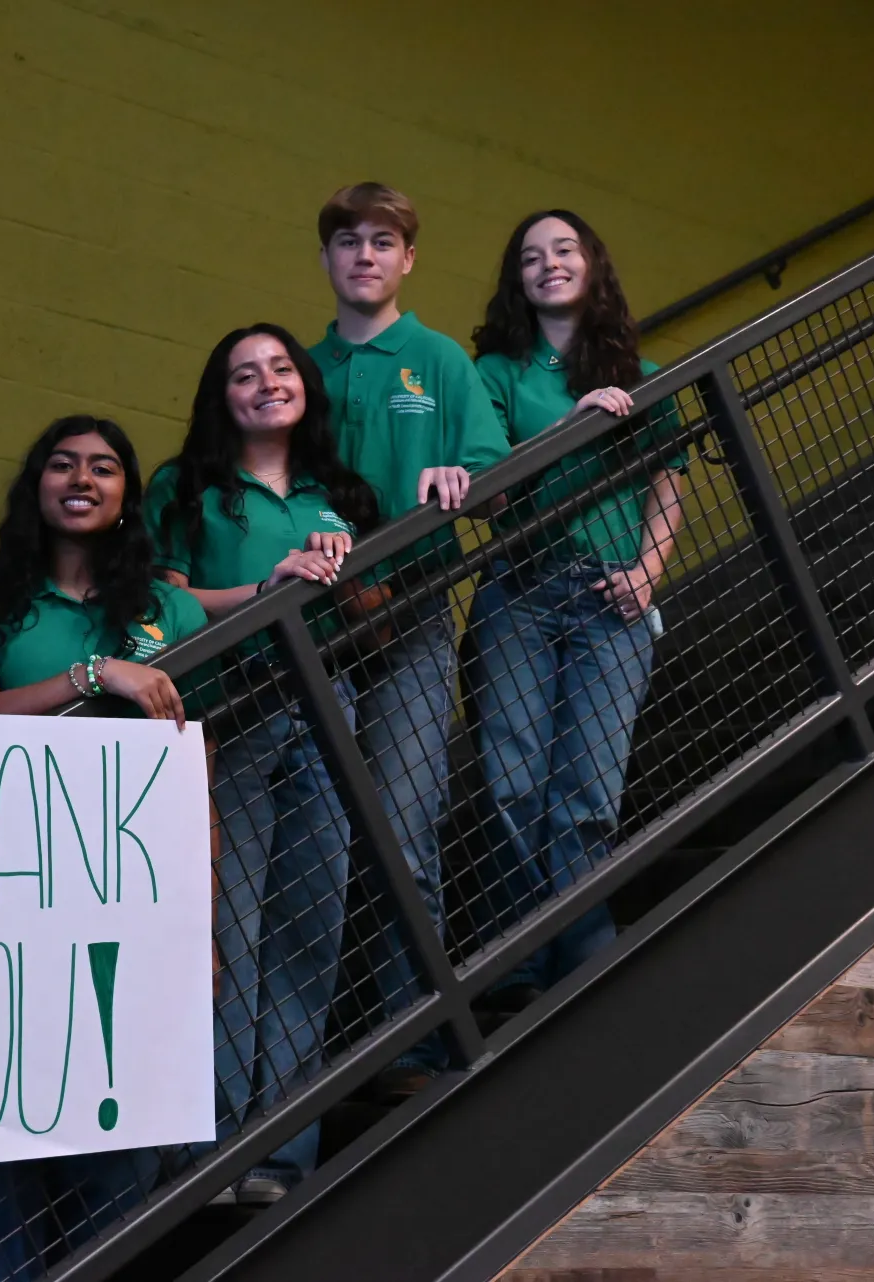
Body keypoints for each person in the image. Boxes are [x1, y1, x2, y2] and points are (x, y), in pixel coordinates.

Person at [0, 415, 203, 1275]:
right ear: (36, 487)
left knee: (120, 1133)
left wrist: (201, 913)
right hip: (6, 894)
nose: (81, 479)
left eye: (103, 467)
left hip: (133, 896)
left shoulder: (175, 611)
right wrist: (94, 677)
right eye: (61, 464)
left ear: (128, 493)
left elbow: (197, 762)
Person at [146, 324, 380, 1204]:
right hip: (227, 717)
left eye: (281, 368)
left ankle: (281, 1156)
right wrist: (264, 592)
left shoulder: (340, 490)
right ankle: (208, 1158)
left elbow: (378, 612)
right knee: (226, 933)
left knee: (309, 935)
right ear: (223, 394)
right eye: (245, 374)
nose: (266, 383)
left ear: (305, 387)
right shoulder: (188, 486)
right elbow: (158, 599)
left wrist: (352, 582)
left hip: (326, 708)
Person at [307, 182, 511, 1103]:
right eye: (347, 241)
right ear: (327, 260)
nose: (364, 255)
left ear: (407, 259)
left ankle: (409, 1042)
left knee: (405, 832)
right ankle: (306, 1071)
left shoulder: (439, 361)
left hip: (418, 612)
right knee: (308, 854)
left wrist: (462, 476)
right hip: (314, 626)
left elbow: (496, 477)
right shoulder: (294, 372)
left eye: (382, 242)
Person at [469, 210, 684, 1017]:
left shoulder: (641, 371)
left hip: (609, 597)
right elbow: (486, 499)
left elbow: (670, 479)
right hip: (520, 589)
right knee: (511, 782)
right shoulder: (492, 374)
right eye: (531, 256)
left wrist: (649, 571)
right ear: (517, 280)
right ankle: (523, 959)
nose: (548, 264)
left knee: (587, 793)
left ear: (592, 265)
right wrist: (574, 423)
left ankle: (582, 967)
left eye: (563, 250)